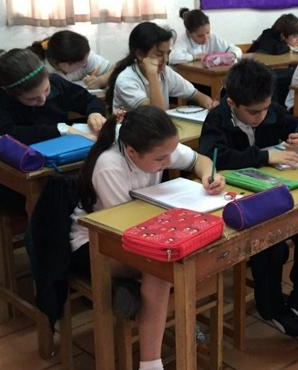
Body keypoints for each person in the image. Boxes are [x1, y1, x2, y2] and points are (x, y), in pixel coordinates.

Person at [73, 105, 225, 370]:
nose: (168, 162)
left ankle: (145, 303)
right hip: (96, 245)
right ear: (132, 152)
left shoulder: (157, 146)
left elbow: (199, 160)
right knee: (159, 266)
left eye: (170, 155)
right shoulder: (110, 166)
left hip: (144, 232)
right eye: (161, 159)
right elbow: (125, 230)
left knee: (175, 258)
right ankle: (151, 362)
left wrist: (208, 176)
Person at [198, 59, 298, 344]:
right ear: (232, 103)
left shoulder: (270, 109)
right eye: (253, 111)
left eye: (265, 108)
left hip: (272, 192)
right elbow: (215, 156)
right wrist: (265, 156)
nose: (261, 116)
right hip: (235, 200)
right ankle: (271, 308)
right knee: (270, 240)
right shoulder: (218, 118)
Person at [0, 48, 106, 147]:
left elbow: (88, 100)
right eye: (32, 99)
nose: (43, 100)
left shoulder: (55, 82)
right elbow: (1, 135)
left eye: (47, 90)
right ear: (10, 93)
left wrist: (95, 113)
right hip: (18, 157)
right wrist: (61, 129)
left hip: (60, 148)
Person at [106, 22, 215, 113]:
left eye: (168, 53)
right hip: (132, 131)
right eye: (159, 54)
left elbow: (195, 94)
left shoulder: (165, 72)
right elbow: (157, 114)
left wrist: (209, 104)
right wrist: (152, 75)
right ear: (140, 55)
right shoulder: (126, 80)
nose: (166, 60)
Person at [29, 30, 114, 89]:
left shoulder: (83, 55)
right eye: (82, 63)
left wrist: (101, 80)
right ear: (63, 65)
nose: (86, 63)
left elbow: (115, 69)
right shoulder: (39, 68)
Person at [169, 8, 242, 65]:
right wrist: (194, 57)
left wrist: (232, 55)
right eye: (200, 36)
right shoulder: (183, 40)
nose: (205, 39)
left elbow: (237, 50)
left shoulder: (213, 37)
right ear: (188, 33)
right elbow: (172, 58)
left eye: (208, 33)